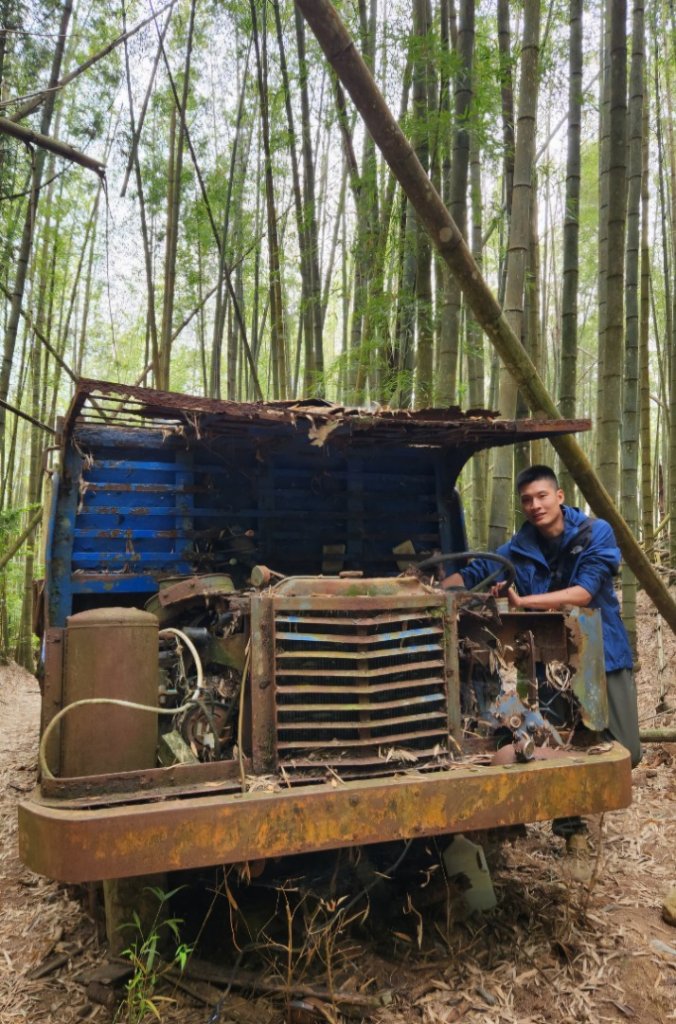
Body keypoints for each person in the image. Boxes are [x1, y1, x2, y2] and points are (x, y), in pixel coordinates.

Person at [443, 465, 641, 864]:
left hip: (600, 651)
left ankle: (581, 805)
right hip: (547, 662)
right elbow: (475, 571)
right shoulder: (518, 547)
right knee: (555, 739)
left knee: (627, 749)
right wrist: (431, 587)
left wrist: (523, 602)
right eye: (527, 500)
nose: (535, 505)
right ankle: (571, 828)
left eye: (542, 496)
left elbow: (583, 593)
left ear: (560, 496)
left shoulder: (595, 533)